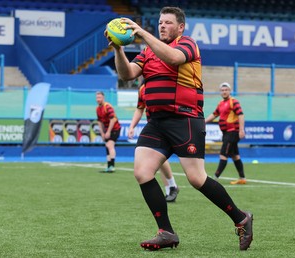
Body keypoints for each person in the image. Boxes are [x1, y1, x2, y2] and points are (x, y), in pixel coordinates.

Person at [104, 7, 253, 251]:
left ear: (180, 27)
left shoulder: (188, 44)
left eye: (168, 22)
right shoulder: (148, 51)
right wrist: (118, 48)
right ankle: (166, 232)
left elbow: (173, 58)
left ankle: (241, 219)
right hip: (157, 123)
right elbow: (127, 74)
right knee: (142, 172)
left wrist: (141, 32)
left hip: (185, 119)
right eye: (160, 22)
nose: (162, 25)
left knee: (196, 179)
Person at [128, 83, 180, 202]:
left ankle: (172, 186)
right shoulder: (142, 89)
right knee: (158, 158)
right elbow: (139, 108)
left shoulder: (167, 81)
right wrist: (132, 126)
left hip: (175, 126)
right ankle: (170, 187)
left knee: (194, 175)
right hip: (155, 128)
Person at [205, 82, 247, 184]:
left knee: (223, 154)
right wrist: (203, 122)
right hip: (226, 133)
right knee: (235, 155)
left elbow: (241, 115)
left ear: (230, 91)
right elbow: (215, 114)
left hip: (232, 132)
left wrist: (241, 129)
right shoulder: (221, 103)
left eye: (226, 90)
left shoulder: (234, 102)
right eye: (222, 90)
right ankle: (242, 178)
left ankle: (215, 178)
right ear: (220, 92)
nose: (224, 92)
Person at [95, 91, 121, 172]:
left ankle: (112, 166)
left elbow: (113, 119)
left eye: (99, 97)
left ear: (103, 98)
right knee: (107, 146)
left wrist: (108, 132)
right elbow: (99, 122)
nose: (98, 99)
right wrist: (102, 133)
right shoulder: (98, 109)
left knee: (110, 145)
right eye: (97, 98)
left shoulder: (108, 107)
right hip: (107, 130)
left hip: (115, 128)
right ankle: (109, 166)